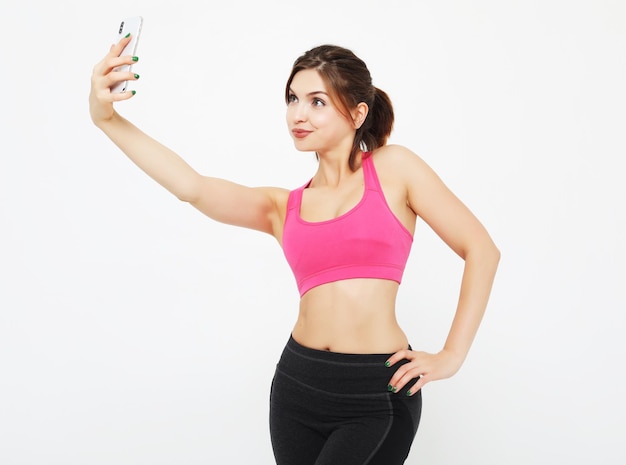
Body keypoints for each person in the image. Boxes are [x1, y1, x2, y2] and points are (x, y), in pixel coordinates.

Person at [90, 36, 500, 465]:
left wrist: (452, 355)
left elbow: (481, 250)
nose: (298, 115)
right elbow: (192, 187)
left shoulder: (395, 169)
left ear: (358, 113)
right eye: (293, 99)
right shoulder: (283, 207)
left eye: (317, 101)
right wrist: (107, 119)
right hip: (296, 388)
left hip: (373, 393)